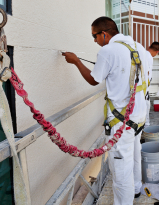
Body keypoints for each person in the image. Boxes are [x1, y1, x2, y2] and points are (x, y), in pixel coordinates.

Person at [62, 17, 149, 205]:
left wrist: (76, 61)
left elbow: (94, 79)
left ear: (104, 34)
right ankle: (136, 188)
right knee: (134, 151)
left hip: (121, 122)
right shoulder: (139, 47)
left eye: (95, 36)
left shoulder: (108, 51)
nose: (95, 41)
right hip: (139, 116)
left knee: (120, 170)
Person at [145, 42, 159, 126]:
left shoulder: (143, 54)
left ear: (149, 47)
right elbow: (146, 72)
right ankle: (145, 128)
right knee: (145, 109)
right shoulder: (149, 57)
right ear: (157, 51)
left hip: (141, 88)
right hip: (143, 89)